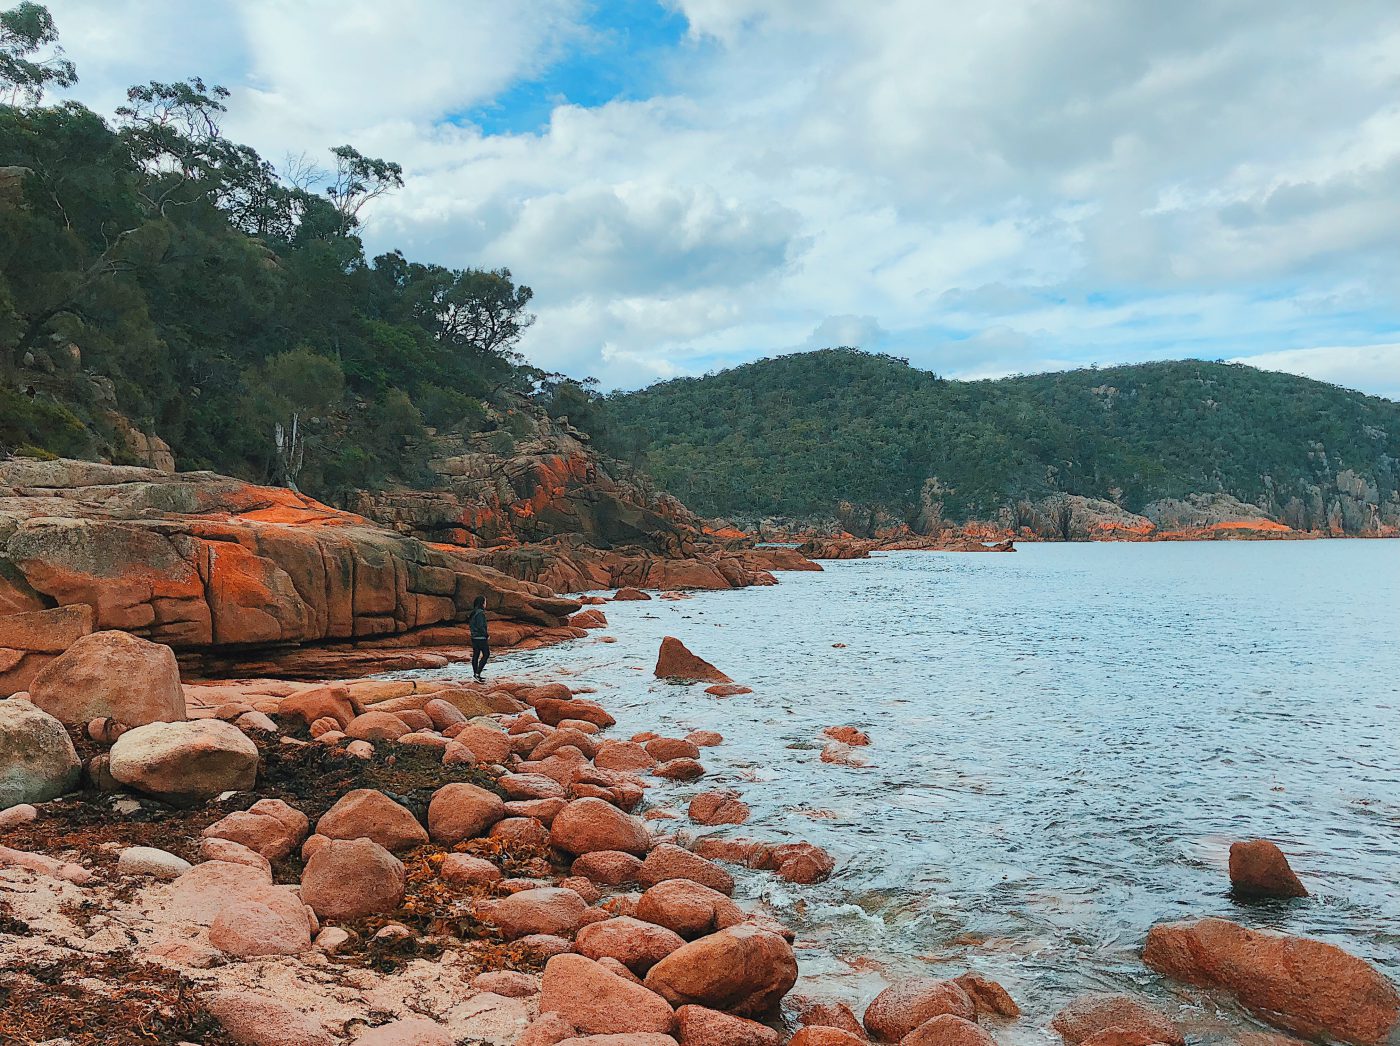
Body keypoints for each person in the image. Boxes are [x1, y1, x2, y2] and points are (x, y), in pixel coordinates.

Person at [469, 595, 490, 682]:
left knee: (476, 655)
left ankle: (475, 674)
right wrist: (486, 635)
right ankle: (478, 673)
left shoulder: (473, 613)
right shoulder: (480, 613)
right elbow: (481, 626)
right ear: (482, 603)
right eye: (485, 602)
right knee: (486, 654)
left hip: (474, 637)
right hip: (481, 638)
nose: (486, 604)